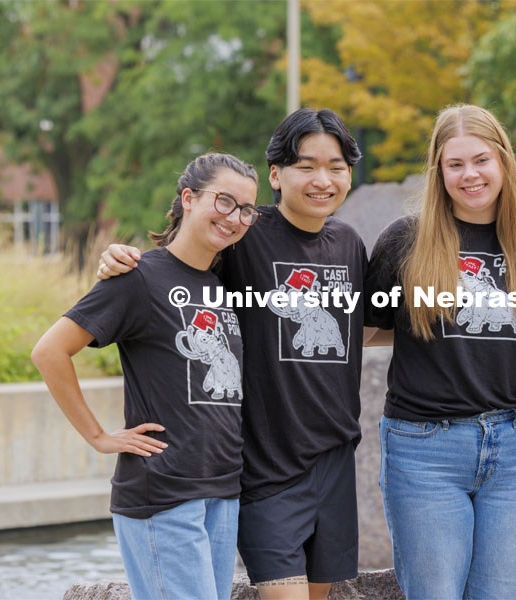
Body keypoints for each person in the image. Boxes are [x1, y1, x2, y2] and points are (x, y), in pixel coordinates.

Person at [97, 108, 367, 600]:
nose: (321, 180)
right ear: (276, 175)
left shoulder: (349, 243)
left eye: (336, 167)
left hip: (335, 461)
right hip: (267, 464)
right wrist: (119, 256)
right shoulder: (245, 233)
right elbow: (177, 267)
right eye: (306, 166)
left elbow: (361, 327)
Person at [32, 153, 260, 600]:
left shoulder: (222, 284)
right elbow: (50, 351)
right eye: (225, 201)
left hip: (221, 490)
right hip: (164, 493)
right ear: (189, 199)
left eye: (247, 209)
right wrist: (99, 436)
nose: (235, 218)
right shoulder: (137, 278)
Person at [364, 104, 516, 599]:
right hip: (425, 448)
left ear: (504, 163)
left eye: (482, 160)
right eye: (455, 164)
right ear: (439, 172)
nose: (470, 174)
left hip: (513, 447)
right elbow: (363, 331)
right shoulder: (405, 241)